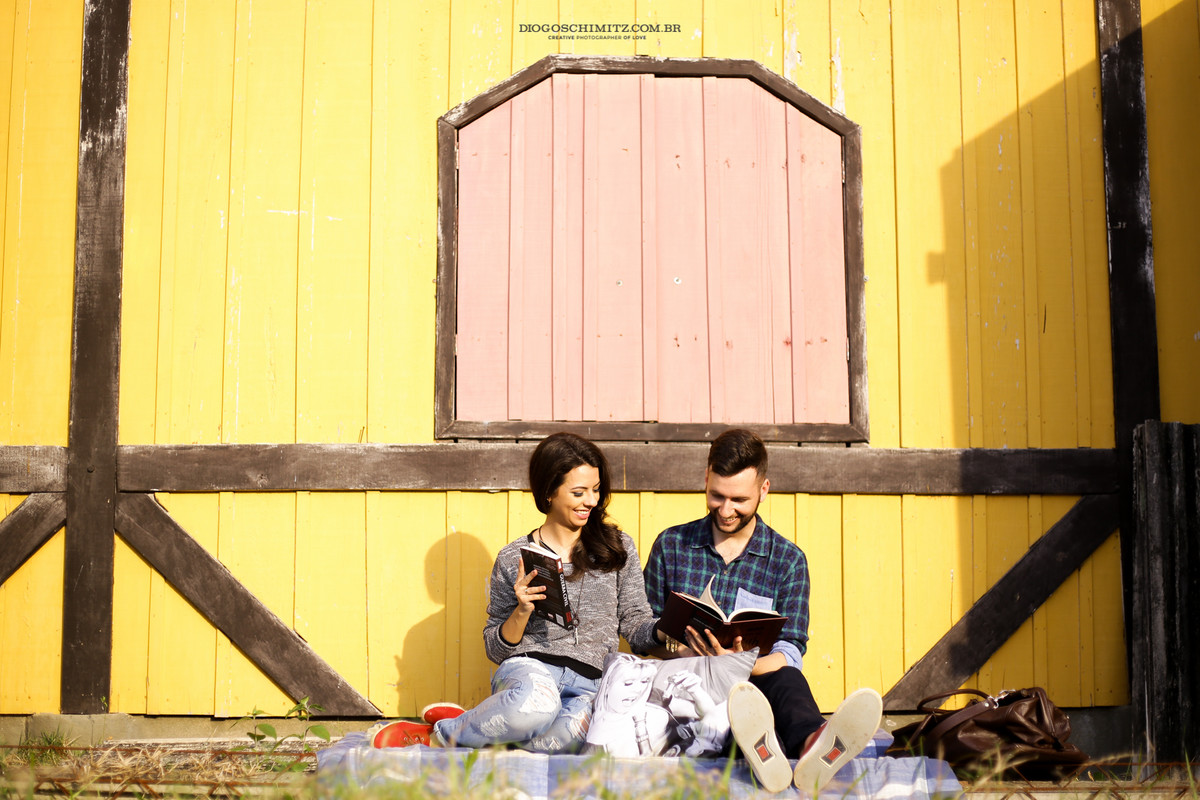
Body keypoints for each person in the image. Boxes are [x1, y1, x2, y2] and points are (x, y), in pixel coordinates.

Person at [371, 432, 663, 753]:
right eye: (579, 492)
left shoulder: (617, 548)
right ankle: (439, 734)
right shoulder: (514, 557)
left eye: (595, 490)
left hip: (592, 684)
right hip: (532, 668)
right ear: (549, 491)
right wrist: (522, 610)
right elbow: (495, 649)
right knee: (536, 707)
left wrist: (667, 629)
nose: (591, 501)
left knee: (568, 739)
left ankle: (481, 723)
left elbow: (636, 624)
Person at [643, 428, 882, 793]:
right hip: (686, 682)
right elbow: (643, 632)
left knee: (784, 682)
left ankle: (811, 746)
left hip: (755, 683)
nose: (726, 510)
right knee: (732, 712)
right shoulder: (671, 545)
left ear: (764, 490)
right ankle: (766, 752)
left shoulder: (787, 560)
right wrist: (682, 651)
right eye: (716, 496)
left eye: (738, 499)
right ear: (706, 479)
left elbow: (790, 650)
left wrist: (742, 663)